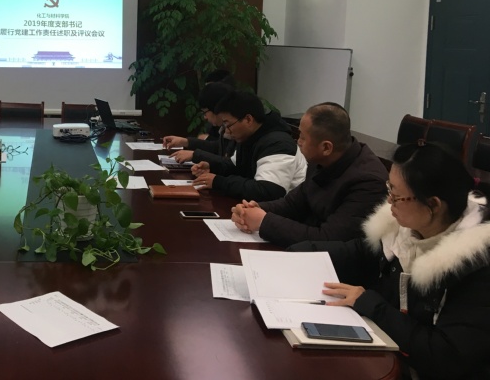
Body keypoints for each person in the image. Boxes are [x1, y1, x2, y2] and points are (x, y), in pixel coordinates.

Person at [291, 142, 490, 379]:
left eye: (396, 196)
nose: (388, 202)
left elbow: (446, 356)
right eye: (389, 190)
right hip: (392, 354)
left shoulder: (476, 266)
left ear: (433, 204)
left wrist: (372, 305)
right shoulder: (405, 228)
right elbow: (360, 254)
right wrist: (298, 253)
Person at [230, 102, 387, 247]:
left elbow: (329, 239)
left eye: (303, 137)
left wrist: (263, 221)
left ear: (326, 148)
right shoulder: (320, 159)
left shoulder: (368, 182)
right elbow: (293, 204)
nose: (297, 141)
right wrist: (254, 208)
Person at [190, 90, 306, 200]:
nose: (226, 131)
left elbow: (268, 191)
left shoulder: (278, 144)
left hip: (284, 211)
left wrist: (218, 182)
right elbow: (234, 166)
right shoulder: (249, 136)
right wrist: (212, 167)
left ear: (248, 119)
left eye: (228, 125)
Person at [162, 81, 235, 164]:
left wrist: (195, 155)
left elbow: (230, 164)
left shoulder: (238, 131)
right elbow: (217, 147)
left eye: (205, 112)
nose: (205, 117)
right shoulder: (224, 128)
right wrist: (185, 141)